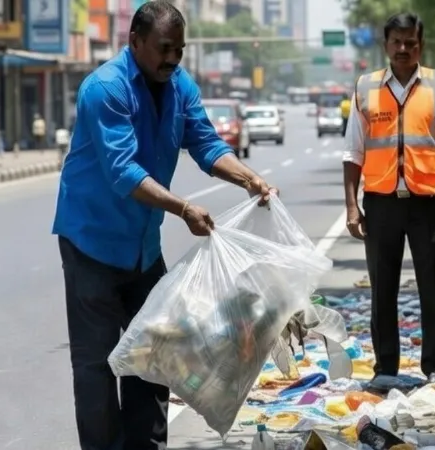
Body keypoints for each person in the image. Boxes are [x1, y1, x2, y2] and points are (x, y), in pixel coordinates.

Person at [51, 2, 277, 449]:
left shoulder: (179, 85)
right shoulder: (105, 89)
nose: (171, 59)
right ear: (134, 41)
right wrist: (183, 208)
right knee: (97, 367)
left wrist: (249, 179)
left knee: (153, 356)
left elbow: (206, 144)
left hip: (142, 249)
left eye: (179, 50)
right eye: (163, 49)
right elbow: (123, 172)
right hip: (91, 244)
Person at [343, 13, 435, 387]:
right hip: (381, 204)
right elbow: (353, 153)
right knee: (383, 289)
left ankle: (434, 367)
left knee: (433, 289)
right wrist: (352, 206)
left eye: (410, 43)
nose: (403, 49)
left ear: (421, 45)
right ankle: (386, 369)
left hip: (429, 203)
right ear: (385, 45)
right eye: (396, 42)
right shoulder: (366, 87)